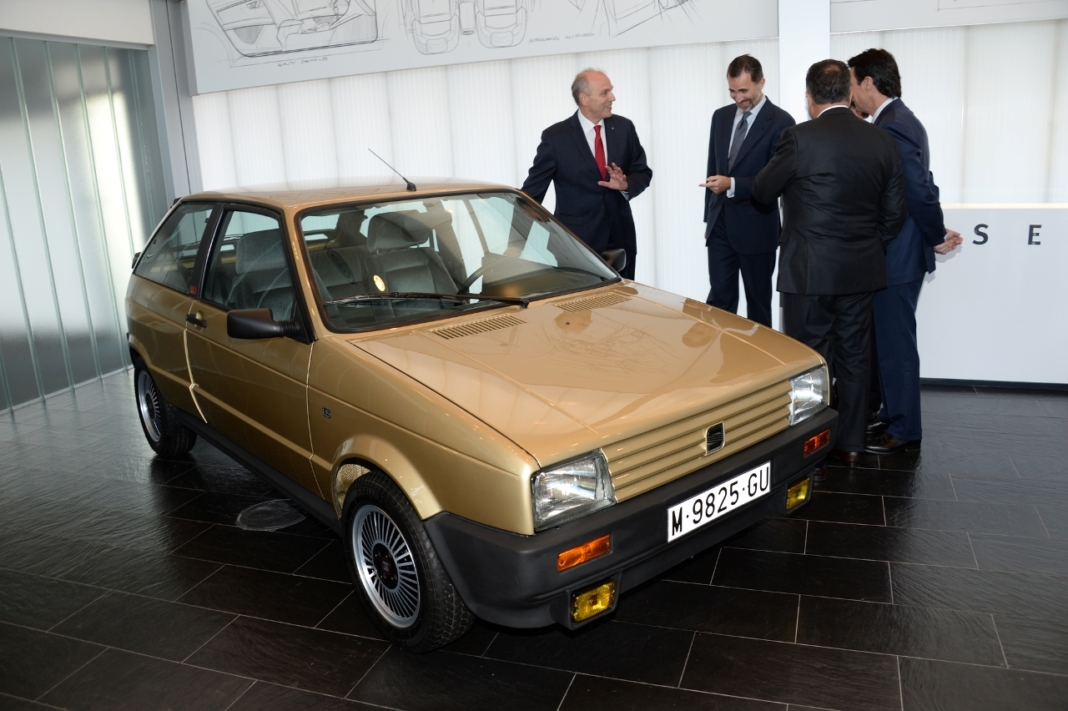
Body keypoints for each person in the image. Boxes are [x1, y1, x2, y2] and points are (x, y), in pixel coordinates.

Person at [752, 59, 907, 464]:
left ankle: (813, 451)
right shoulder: (881, 140)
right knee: (855, 358)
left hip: (809, 272)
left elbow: (763, 191)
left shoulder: (798, 138)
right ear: (849, 93)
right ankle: (851, 444)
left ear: (809, 97)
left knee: (809, 361)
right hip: (861, 270)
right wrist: (865, 244)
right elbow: (895, 214)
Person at [848, 49, 963, 454]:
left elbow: (918, 189)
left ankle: (904, 429)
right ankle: (892, 414)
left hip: (897, 257)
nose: (850, 93)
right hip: (898, 253)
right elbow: (918, 186)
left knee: (896, 346)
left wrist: (933, 235)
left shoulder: (894, 125)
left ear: (867, 83)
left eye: (852, 83)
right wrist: (933, 230)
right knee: (888, 341)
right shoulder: (898, 120)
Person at [521, 69, 653, 280]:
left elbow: (642, 172)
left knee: (622, 300)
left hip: (621, 240)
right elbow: (531, 195)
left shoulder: (624, 128)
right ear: (584, 99)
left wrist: (625, 185)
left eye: (611, 91)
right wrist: (517, 245)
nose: (612, 98)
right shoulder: (556, 137)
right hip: (575, 245)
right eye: (605, 93)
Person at [701, 54, 795, 327]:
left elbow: (775, 181)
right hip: (720, 226)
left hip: (757, 227)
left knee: (758, 307)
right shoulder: (720, 117)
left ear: (761, 83)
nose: (738, 97)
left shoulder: (782, 122)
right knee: (719, 303)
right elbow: (713, 168)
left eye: (743, 90)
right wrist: (709, 220)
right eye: (732, 90)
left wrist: (733, 185)